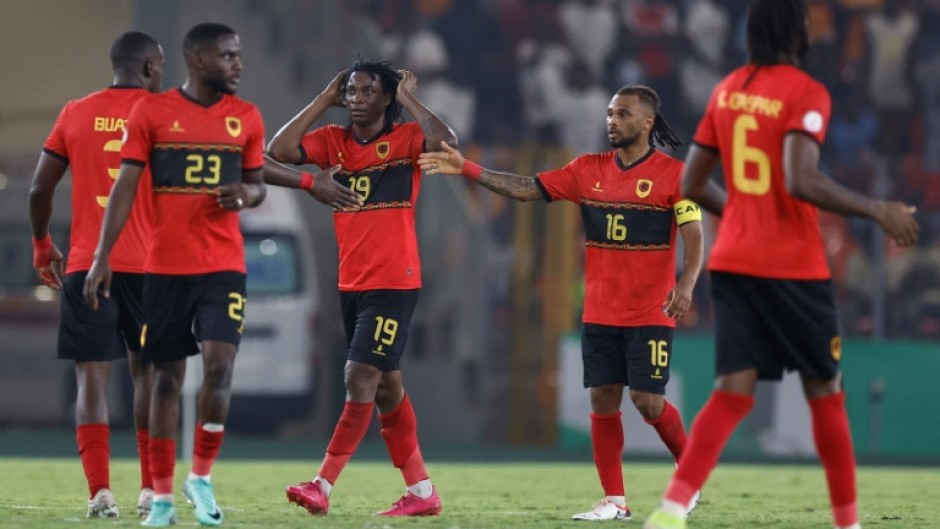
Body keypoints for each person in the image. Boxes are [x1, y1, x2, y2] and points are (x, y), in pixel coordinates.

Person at [641, 2, 919, 529]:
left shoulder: (727, 90)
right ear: (801, 32)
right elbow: (799, 178)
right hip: (792, 265)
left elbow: (694, 184)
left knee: (731, 392)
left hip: (733, 261)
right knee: (825, 393)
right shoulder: (805, 91)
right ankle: (847, 523)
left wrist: (743, 212)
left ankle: (673, 507)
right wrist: (878, 208)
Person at [419, 84, 704, 521]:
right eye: (610, 114)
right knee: (603, 400)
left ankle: (690, 473)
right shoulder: (586, 169)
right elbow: (526, 188)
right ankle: (615, 500)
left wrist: (686, 284)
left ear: (647, 122)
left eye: (623, 114)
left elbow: (694, 235)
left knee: (648, 402)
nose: (612, 121)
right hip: (600, 310)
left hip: (651, 310)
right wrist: (468, 170)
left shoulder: (674, 175)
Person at [83, 23, 267, 528]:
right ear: (200, 60)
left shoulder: (246, 117)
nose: (238, 64)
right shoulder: (153, 112)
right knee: (164, 381)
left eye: (240, 54)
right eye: (229, 56)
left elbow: (257, 184)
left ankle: (200, 476)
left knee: (220, 369)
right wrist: (102, 257)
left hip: (224, 268)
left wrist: (246, 197)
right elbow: (124, 188)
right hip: (163, 269)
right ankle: (161, 497)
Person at [265, 59, 457, 517]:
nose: (356, 99)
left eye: (367, 91)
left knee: (358, 378)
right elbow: (279, 149)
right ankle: (423, 492)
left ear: (386, 98)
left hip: (394, 280)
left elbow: (445, 142)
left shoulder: (407, 139)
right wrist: (322, 100)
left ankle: (322, 485)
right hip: (352, 282)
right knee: (387, 389)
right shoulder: (333, 143)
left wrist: (410, 98)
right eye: (350, 91)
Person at [27, 31, 164, 519]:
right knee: (149, 377)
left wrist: (43, 244)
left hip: (88, 266)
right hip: (151, 268)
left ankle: (100, 492)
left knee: (91, 381)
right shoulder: (165, 115)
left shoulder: (75, 111)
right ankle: (151, 490)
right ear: (149, 65)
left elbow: (38, 191)